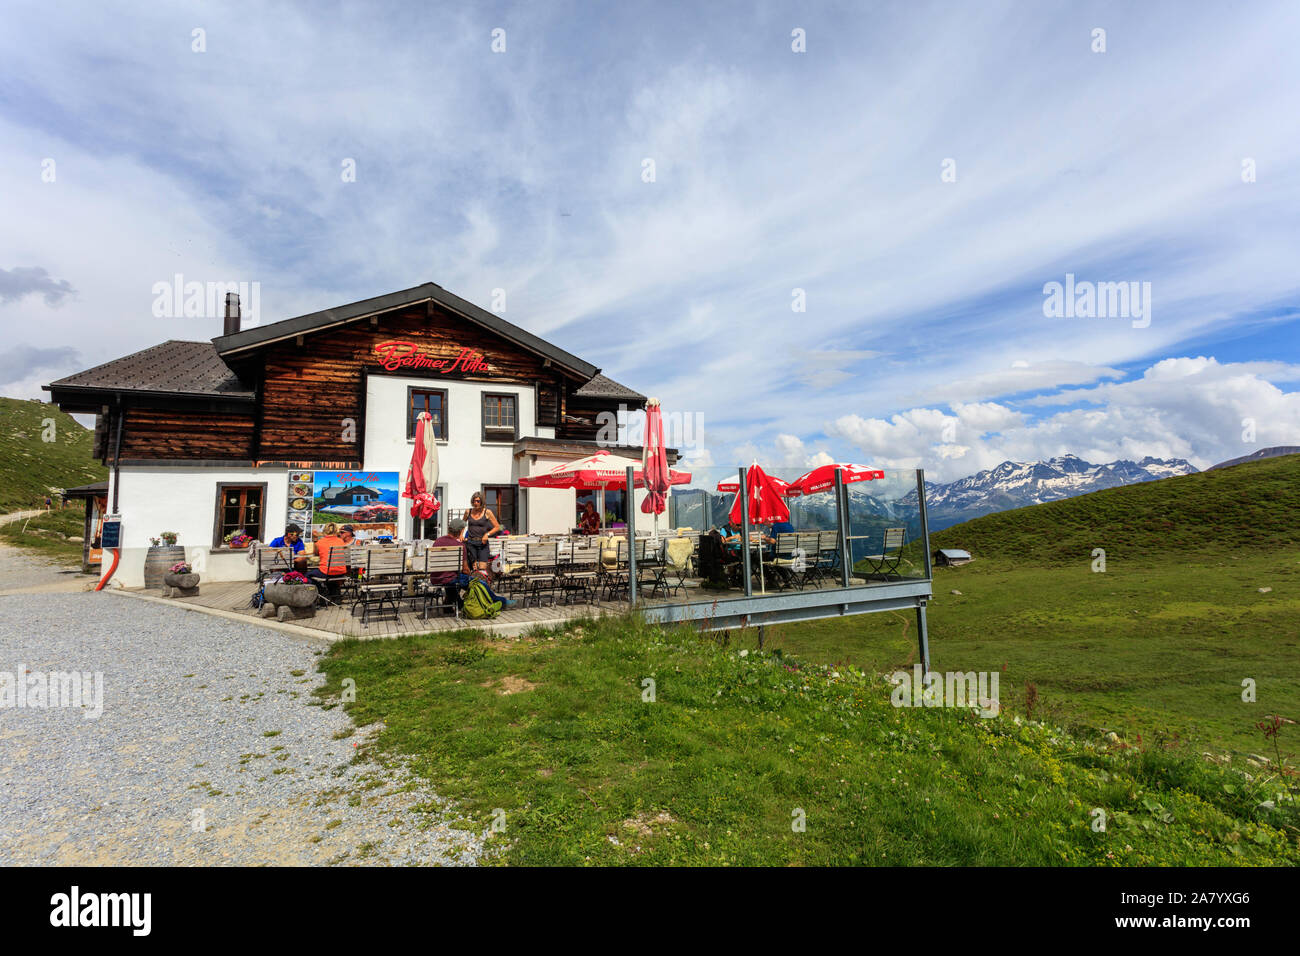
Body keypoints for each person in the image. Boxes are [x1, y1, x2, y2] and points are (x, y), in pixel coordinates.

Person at [429, 518, 515, 610]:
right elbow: (465, 570)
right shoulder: (460, 546)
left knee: (452, 579)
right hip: (450, 579)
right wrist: (471, 576)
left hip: (435, 578)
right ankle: (502, 601)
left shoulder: (437, 541)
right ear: (461, 530)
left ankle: (455, 605)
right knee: (480, 583)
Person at [464, 492, 501, 574]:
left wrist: (487, 534)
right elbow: (462, 524)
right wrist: (461, 535)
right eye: (474, 501)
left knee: (482, 569)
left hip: (482, 543)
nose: (475, 503)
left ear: (482, 502)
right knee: (472, 569)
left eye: (478, 501)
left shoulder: (487, 512)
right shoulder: (468, 512)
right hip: (470, 543)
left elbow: (497, 527)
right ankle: (472, 585)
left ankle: (482, 585)